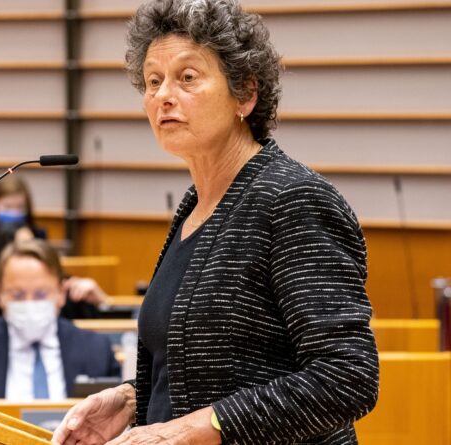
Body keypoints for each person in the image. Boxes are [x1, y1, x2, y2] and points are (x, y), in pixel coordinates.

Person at [53, 1, 379, 444]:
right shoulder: (195, 206)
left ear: (245, 94)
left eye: (187, 77)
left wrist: (188, 431)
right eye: (153, 81)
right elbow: (222, 366)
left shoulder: (292, 199)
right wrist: (132, 400)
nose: (164, 95)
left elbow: (346, 376)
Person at [0, 239, 120, 399]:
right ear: (0, 293)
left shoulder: (96, 349)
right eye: (17, 295)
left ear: (61, 293)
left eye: (41, 294)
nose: (29, 303)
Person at [0, 174, 109, 318]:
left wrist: (103, 303)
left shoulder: (63, 295)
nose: (14, 213)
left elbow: (105, 316)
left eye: (19, 207)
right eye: (8, 207)